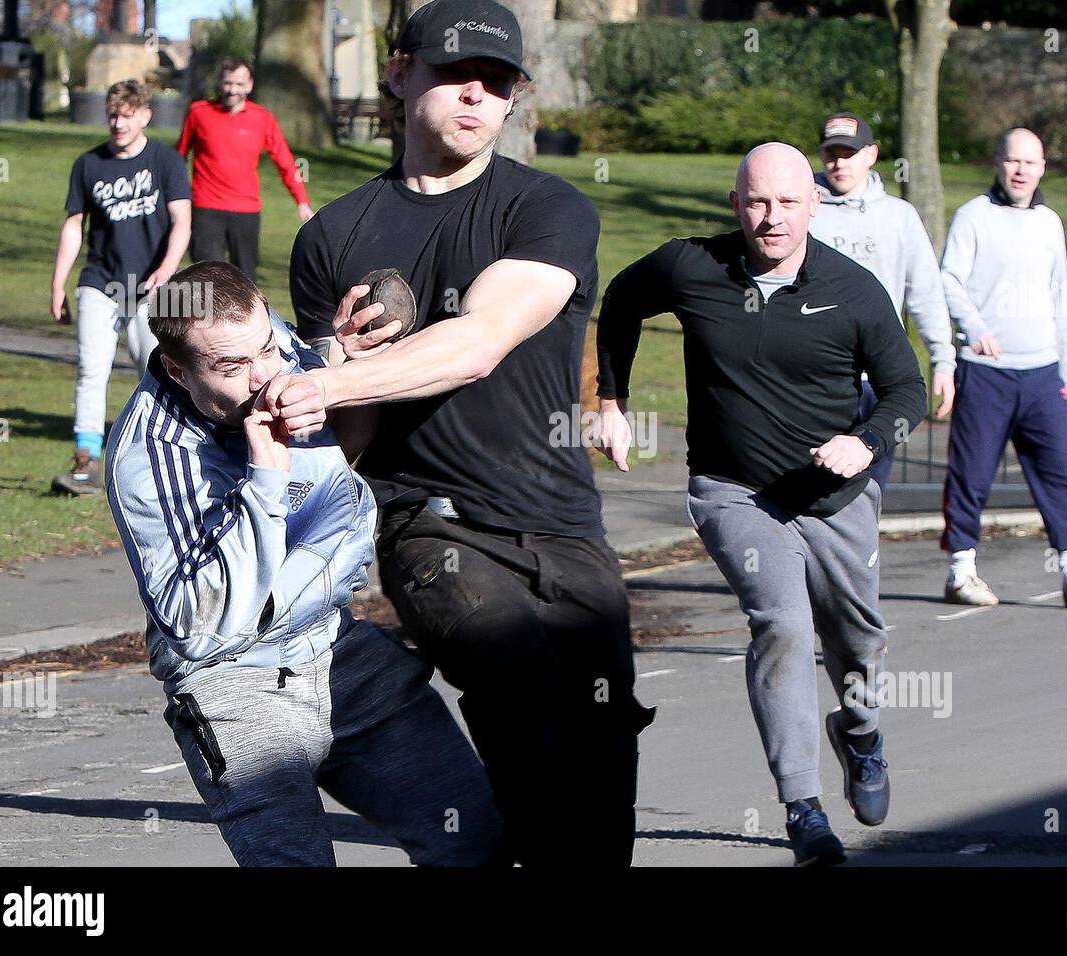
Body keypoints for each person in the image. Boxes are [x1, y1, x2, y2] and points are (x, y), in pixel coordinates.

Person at [276, 0, 653, 867]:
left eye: (498, 83)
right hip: (429, 523)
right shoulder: (335, 235)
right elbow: (354, 440)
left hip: (562, 520)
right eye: (455, 74)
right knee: (515, 677)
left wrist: (325, 376)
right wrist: (337, 360)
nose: (477, 95)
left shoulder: (548, 208)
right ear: (401, 73)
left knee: (599, 737)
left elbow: (479, 345)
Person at [104, 260, 505, 867]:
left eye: (268, 348)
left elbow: (345, 449)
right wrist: (266, 473)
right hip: (236, 687)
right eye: (232, 368)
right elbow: (201, 623)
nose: (265, 376)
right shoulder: (150, 457)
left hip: (339, 651)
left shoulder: (276, 350)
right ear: (177, 371)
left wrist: (341, 362)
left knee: (474, 842)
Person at [593, 142, 925, 866]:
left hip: (834, 495)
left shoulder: (853, 288)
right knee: (781, 622)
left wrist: (866, 443)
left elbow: (910, 392)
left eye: (786, 203)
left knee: (857, 638)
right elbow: (620, 298)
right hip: (734, 490)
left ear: (813, 204)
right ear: (736, 202)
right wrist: (610, 399)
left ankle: (861, 730)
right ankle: (802, 809)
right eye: (756, 202)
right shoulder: (692, 266)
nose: (771, 219)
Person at [939, 128, 1067, 609]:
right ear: (998, 162)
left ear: (1042, 168)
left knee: (1060, 471)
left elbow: (1060, 293)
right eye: (1012, 161)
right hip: (986, 371)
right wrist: (973, 326)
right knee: (971, 473)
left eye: (1030, 163)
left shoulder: (1049, 223)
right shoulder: (973, 217)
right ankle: (961, 570)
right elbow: (950, 277)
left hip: (1042, 371)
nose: (1021, 171)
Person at [50, 79, 191, 496]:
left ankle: (164, 454)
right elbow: (74, 226)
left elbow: (182, 222)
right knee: (91, 368)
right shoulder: (88, 164)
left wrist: (166, 270)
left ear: (145, 116)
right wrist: (58, 284)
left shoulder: (166, 161)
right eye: (113, 115)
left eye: (127, 116)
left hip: (152, 283)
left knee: (160, 368)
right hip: (99, 281)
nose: (118, 123)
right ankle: (86, 460)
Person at [808, 111, 955, 489]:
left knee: (869, 487)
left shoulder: (899, 217)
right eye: (831, 153)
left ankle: (860, 547)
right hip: (815, 374)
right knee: (815, 482)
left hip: (879, 377)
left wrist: (943, 359)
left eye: (849, 152)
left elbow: (925, 291)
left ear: (871, 154)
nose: (839, 162)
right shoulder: (805, 211)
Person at [176, 57, 313, 280]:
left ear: (249, 85)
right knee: (207, 278)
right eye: (228, 83)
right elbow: (178, 156)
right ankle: (205, 317)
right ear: (220, 83)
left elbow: (285, 162)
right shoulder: (198, 113)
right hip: (206, 208)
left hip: (246, 211)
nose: (233, 90)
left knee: (245, 281)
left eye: (239, 84)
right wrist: (174, 196)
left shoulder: (262, 118)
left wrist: (301, 201)